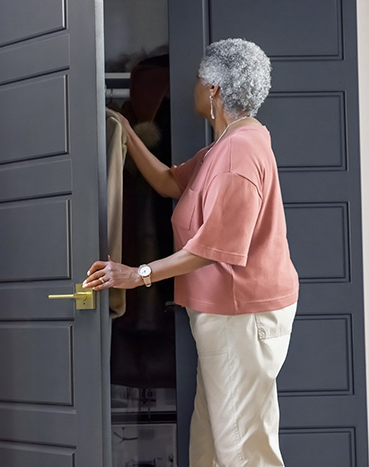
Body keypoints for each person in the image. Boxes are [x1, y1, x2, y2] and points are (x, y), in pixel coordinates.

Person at [83, 38, 299, 467]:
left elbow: (213, 249)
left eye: (201, 78)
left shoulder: (239, 152)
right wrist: (124, 132)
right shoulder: (225, 146)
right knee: (212, 443)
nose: (195, 85)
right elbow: (167, 181)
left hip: (241, 316)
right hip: (228, 317)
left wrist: (135, 274)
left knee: (243, 448)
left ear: (215, 89)